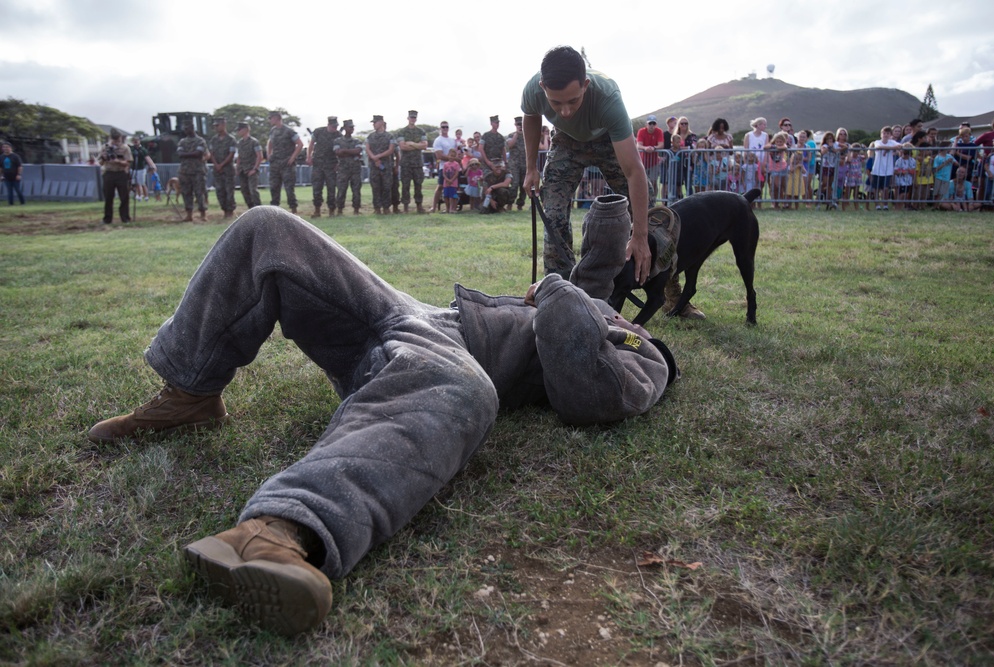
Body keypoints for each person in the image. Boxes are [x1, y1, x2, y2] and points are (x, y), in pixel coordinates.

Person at [85, 203, 677, 637]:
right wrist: (610, 223)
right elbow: (596, 275)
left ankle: (280, 532)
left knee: (469, 391)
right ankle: (190, 391)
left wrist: (553, 289)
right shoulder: (604, 299)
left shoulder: (647, 357)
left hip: (451, 361)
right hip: (416, 317)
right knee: (269, 230)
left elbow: (590, 392)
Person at [521, 45, 652, 285]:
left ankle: (666, 285)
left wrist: (640, 236)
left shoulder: (608, 98)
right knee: (553, 214)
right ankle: (560, 290)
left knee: (647, 209)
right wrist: (531, 168)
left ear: (586, 86)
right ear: (542, 88)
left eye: (573, 100)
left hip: (606, 140)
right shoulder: (533, 89)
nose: (566, 111)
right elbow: (531, 115)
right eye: (556, 103)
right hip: (566, 141)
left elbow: (634, 172)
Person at [266, 110, 303, 214]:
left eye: (271, 118)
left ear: (277, 118)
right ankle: (273, 211)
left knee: (289, 188)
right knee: (274, 187)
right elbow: (270, 143)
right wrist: (269, 154)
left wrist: (292, 158)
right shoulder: (272, 131)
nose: (269, 120)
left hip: (287, 164)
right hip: (275, 164)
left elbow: (300, 144)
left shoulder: (289, 131)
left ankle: (293, 209)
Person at [307, 116, 340, 218]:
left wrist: (338, 163)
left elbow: (339, 151)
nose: (335, 128)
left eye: (336, 126)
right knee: (317, 188)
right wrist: (308, 156)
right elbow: (311, 144)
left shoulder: (338, 135)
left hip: (331, 165)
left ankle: (331, 210)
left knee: (331, 189)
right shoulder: (318, 132)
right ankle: (317, 210)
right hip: (318, 164)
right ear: (329, 125)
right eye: (333, 126)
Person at [98, 129, 132, 224]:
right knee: (108, 197)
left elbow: (128, 162)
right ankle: (107, 219)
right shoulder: (105, 148)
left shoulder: (125, 148)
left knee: (124, 197)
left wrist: (118, 161)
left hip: (121, 173)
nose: (116, 143)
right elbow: (100, 163)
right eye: (114, 140)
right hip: (108, 173)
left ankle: (125, 218)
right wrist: (104, 158)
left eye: (118, 140)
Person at [176, 123, 208, 222]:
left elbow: (198, 153)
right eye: (185, 129)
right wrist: (191, 154)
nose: (186, 130)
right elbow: (180, 154)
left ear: (192, 129)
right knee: (186, 193)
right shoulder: (182, 141)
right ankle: (189, 214)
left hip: (198, 170)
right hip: (184, 171)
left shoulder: (200, 141)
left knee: (200, 193)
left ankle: (203, 213)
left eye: (188, 128)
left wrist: (186, 154)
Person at [397, 110, 428, 213]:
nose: (412, 119)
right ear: (408, 118)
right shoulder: (402, 131)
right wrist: (417, 145)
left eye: (414, 117)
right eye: (411, 117)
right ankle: (405, 206)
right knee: (405, 185)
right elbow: (402, 146)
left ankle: (419, 205)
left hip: (417, 163)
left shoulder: (421, 131)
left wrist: (411, 143)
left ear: (416, 119)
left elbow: (424, 146)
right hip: (406, 163)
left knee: (418, 185)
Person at [365, 115, 396, 215]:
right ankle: (377, 208)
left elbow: (391, 150)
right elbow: (367, 148)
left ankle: (386, 208)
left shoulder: (389, 136)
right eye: (373, 123)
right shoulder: (370, 136)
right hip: (374, 166)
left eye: (375, 122)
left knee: (387, 187)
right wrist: (374, 158)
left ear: (382, 122)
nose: (374, 124)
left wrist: (378, 156)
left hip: (386, 165)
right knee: (375, 187)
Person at [208, 117, 238, 218]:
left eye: (217, 125)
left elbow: (231, 154)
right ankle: (224, 209)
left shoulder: (231, 139)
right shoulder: (213, 140)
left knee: (229, 191)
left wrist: (222, 164)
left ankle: (230, 210)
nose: (216, 128)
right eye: (215, 126)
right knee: (219, 191)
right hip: (217, 170)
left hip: (228, 170)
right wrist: (216, 164)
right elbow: (211, 153)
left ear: (224, 125)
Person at [333, 120, 364, 215]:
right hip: (343, 168)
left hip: (355, 168)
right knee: (341, 190)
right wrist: (351, 151)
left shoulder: (357, 141)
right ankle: (340, 209)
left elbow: (358, 150)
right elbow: (337, 152)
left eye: (353, 127)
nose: (352, 129)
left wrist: (344, 151)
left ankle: (356, 209)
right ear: (345, 128)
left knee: (356, 190)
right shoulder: (337, 140)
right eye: (350, 127)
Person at [869, 126, 899, 210]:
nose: (885, 135)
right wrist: (890, 149)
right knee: (876, 189)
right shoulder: (877, 141)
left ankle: (885, 205)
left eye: (888, 133)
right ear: (881, 134)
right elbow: (878, 147)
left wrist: (887, 149)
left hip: (887, 170)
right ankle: (877, 205)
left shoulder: (892, 142)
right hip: (877, 169)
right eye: (884, 133)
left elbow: (899, 146)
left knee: (886, 189)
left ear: (890, 135)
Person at [235, 122, 263, 210]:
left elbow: (260, 156)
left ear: (246, 130)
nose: (238, 131)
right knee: (244, 191)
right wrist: (237, 166)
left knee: (253, 191)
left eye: (240, 129)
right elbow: (239, 156)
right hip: (242, 170)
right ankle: (251, 209)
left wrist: (255, 169)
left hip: (251, 170)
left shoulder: (254, 142)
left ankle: (259, 209)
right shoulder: (240, 143)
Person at [431, 121, 457, 212]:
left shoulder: (452, 140)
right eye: (443, 127)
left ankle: (452, 207)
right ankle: (433, 207)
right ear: (440, 128)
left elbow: (456, 152)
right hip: (443, 167)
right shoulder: (438, 140)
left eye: (446, 127)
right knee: (440, 186)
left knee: (454, 187)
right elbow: (439, 156)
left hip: (454, 167)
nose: (445, 128)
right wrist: (453, 159)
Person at [506, 116, 528, 210]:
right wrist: (516, 134)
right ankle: (510, 203)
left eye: (521, 124)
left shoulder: (527, 135)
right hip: (514, 164)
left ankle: (520, 204)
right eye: (518, 124)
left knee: (524, 185)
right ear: (515, 125)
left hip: (525, 164)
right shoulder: (511, 135)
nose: (520, 126)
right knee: (514, 184)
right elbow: (510, 145)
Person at [636, 115, 665, 187]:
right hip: (642, 162)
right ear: (646, 124)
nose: (652, 125)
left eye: (653, 123)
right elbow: (638, 145)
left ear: (656, 125)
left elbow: (661, 145)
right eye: (650, 123)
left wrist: (654, 148)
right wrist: (645, 148)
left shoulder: (659, 131)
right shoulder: (641, 131)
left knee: (654, 183)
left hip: (654, 162)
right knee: (642, 183)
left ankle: (653, 198)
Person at [129, 136, 157, 201]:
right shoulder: (131, 149)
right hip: (133, 168)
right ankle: (138, 195)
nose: (135, 142)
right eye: (134, 141)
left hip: (141, 168)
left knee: (142, 183)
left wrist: (152, 165)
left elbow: (147, 158)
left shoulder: (143, 149)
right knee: (135, 183)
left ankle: (146, 196)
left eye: (137, 141)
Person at [1, 142, 26, 206]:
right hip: (6, 176)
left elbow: (19, 166)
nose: (5, 148)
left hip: (15, 176)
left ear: (10, 148)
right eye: (4, 147)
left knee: (17, 190)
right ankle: (10, 204)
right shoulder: (1, 157)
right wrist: (1, 175)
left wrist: (19, 174)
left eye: (7, 147)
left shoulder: (15, 156)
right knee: (9, 191)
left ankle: (22, 203)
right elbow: (1, 167)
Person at [893, 143, 916, 210]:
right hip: (900, 181)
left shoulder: (912, 160)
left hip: (908, 180)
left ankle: (903, 206)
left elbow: (913, 171)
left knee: (906, 194)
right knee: (902, 194)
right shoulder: (899, 161)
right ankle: (897, 207)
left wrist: (910, 172)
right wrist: (902, 172)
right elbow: (895, 171)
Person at [440, 148, 462, 213]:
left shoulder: (456, 164)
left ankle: (452, 209)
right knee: (446, 196)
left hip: (453, 183)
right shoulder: (445, 164)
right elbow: (443, 173)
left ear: (455, 157)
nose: (451, 157)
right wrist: (447, 180)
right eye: (450, 155)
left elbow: (456, 173)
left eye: (453, 156)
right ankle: (447, 208)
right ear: (448, 155)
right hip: (446, 183)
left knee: (453, 196)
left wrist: (451, 180)